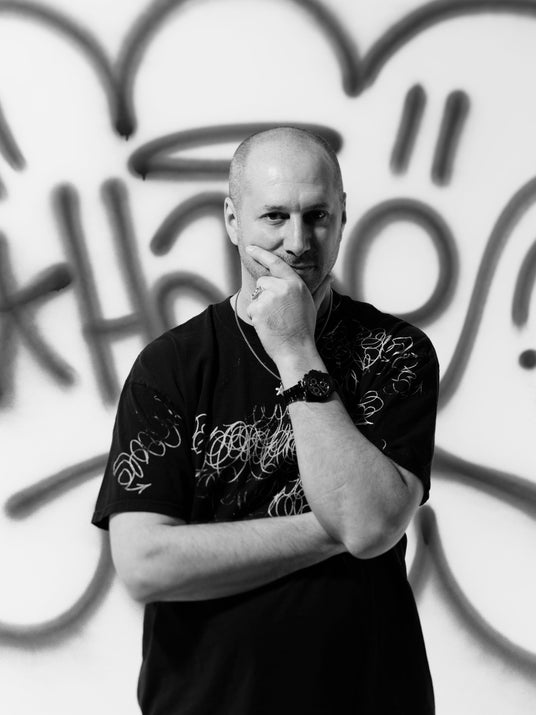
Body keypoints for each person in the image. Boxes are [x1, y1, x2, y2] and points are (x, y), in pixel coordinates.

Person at [92, 126, 439, 714]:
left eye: (317, 216)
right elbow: (146, 564)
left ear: (343, 215)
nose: (298, 241)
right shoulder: (171, 365)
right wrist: (337, 528)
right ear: (233, 220)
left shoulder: (395, 351)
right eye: (275, 216)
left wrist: (296, 350)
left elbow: (371, 524)